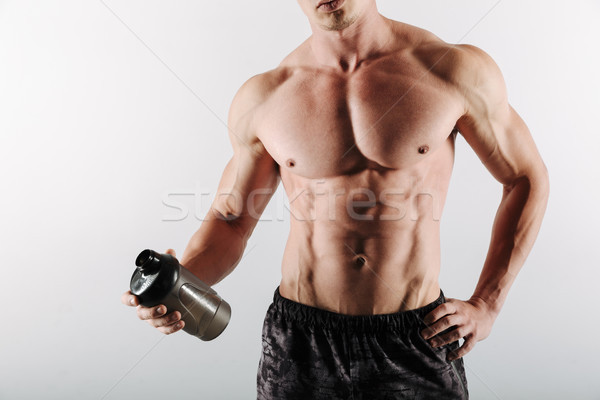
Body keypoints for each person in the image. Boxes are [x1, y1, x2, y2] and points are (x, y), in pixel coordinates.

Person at [121, 0, 549, 398]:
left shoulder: (451, 69)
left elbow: (525, 178)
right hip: (300, 341)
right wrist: (179, 284)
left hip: (416, 334)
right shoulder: (265, 97)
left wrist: (486, 304)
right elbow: (232, 220)